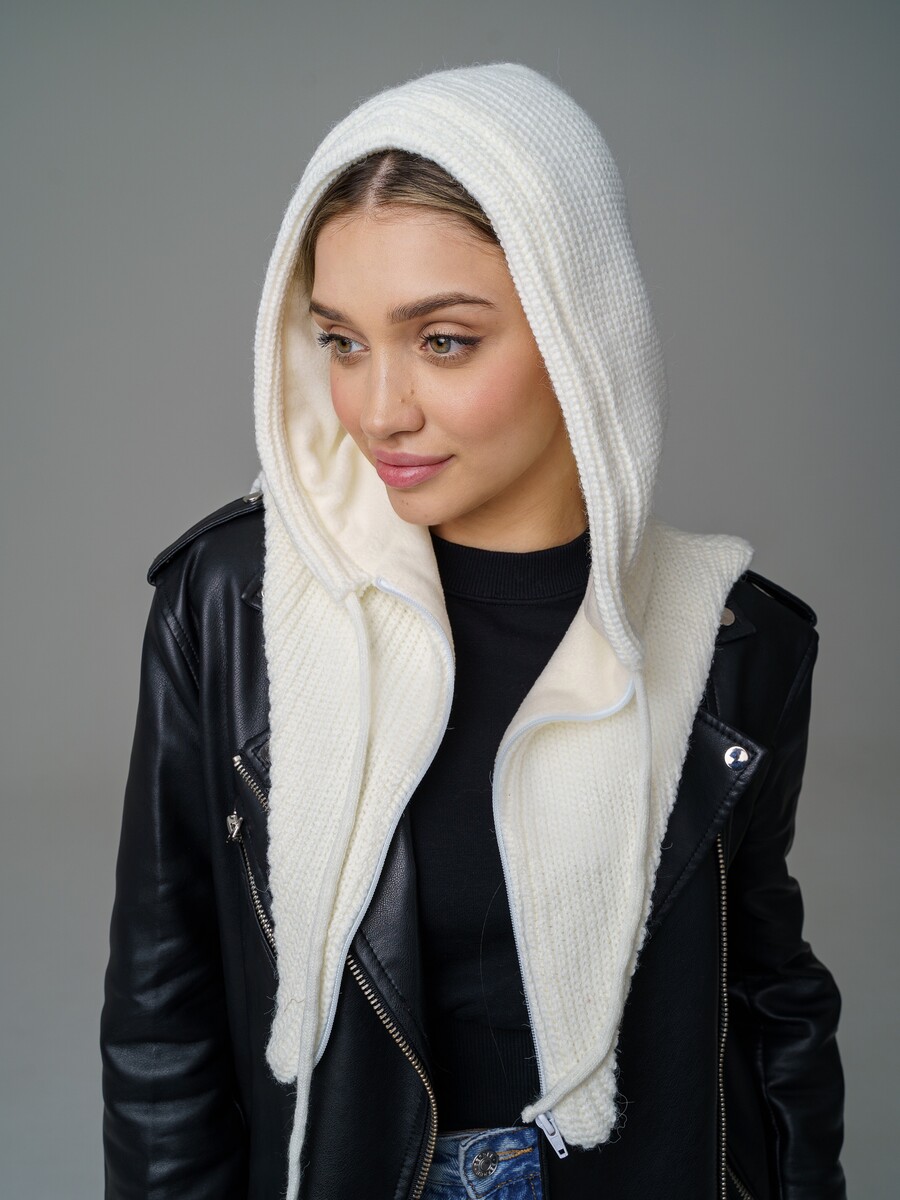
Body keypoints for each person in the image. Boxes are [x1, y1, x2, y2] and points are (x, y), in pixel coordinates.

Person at [100, 63, 846, 1199]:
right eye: (341, 341)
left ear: (580, 332)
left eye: (443, 341)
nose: (379, 409)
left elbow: (769, 1001)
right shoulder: (234, 604)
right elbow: (164, 1015)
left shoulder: (734, 641)